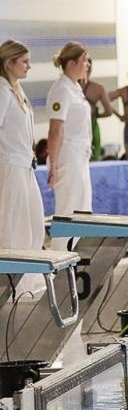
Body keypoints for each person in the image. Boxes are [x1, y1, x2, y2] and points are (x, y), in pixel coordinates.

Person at [0, 40, 45, 252]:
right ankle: (14, 281)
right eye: (25, 61)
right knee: (15, 228)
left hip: (25, 166)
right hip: (10, 167)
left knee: (34, 225)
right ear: (9, 62)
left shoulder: (16, 89)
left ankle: (32, 279)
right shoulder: (1, 91)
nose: (29, 66)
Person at [46, 42, 95, 235]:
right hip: (67, 157)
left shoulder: (75, 87)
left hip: (80, 156)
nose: (88, 65)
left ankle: (77, 254)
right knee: (69, 209)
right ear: (72, 63)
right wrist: (54, 166)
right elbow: (55, 130)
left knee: (82, 207)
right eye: (85, 60)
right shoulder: (61, 90)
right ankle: (63, 254)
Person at [81, 55, 119, 161]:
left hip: (76, 129)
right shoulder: (98, 88)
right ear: (91, 69)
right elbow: (109, 111)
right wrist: (97, 115)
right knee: (93, 161)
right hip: (92, 125)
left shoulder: (69, 87)